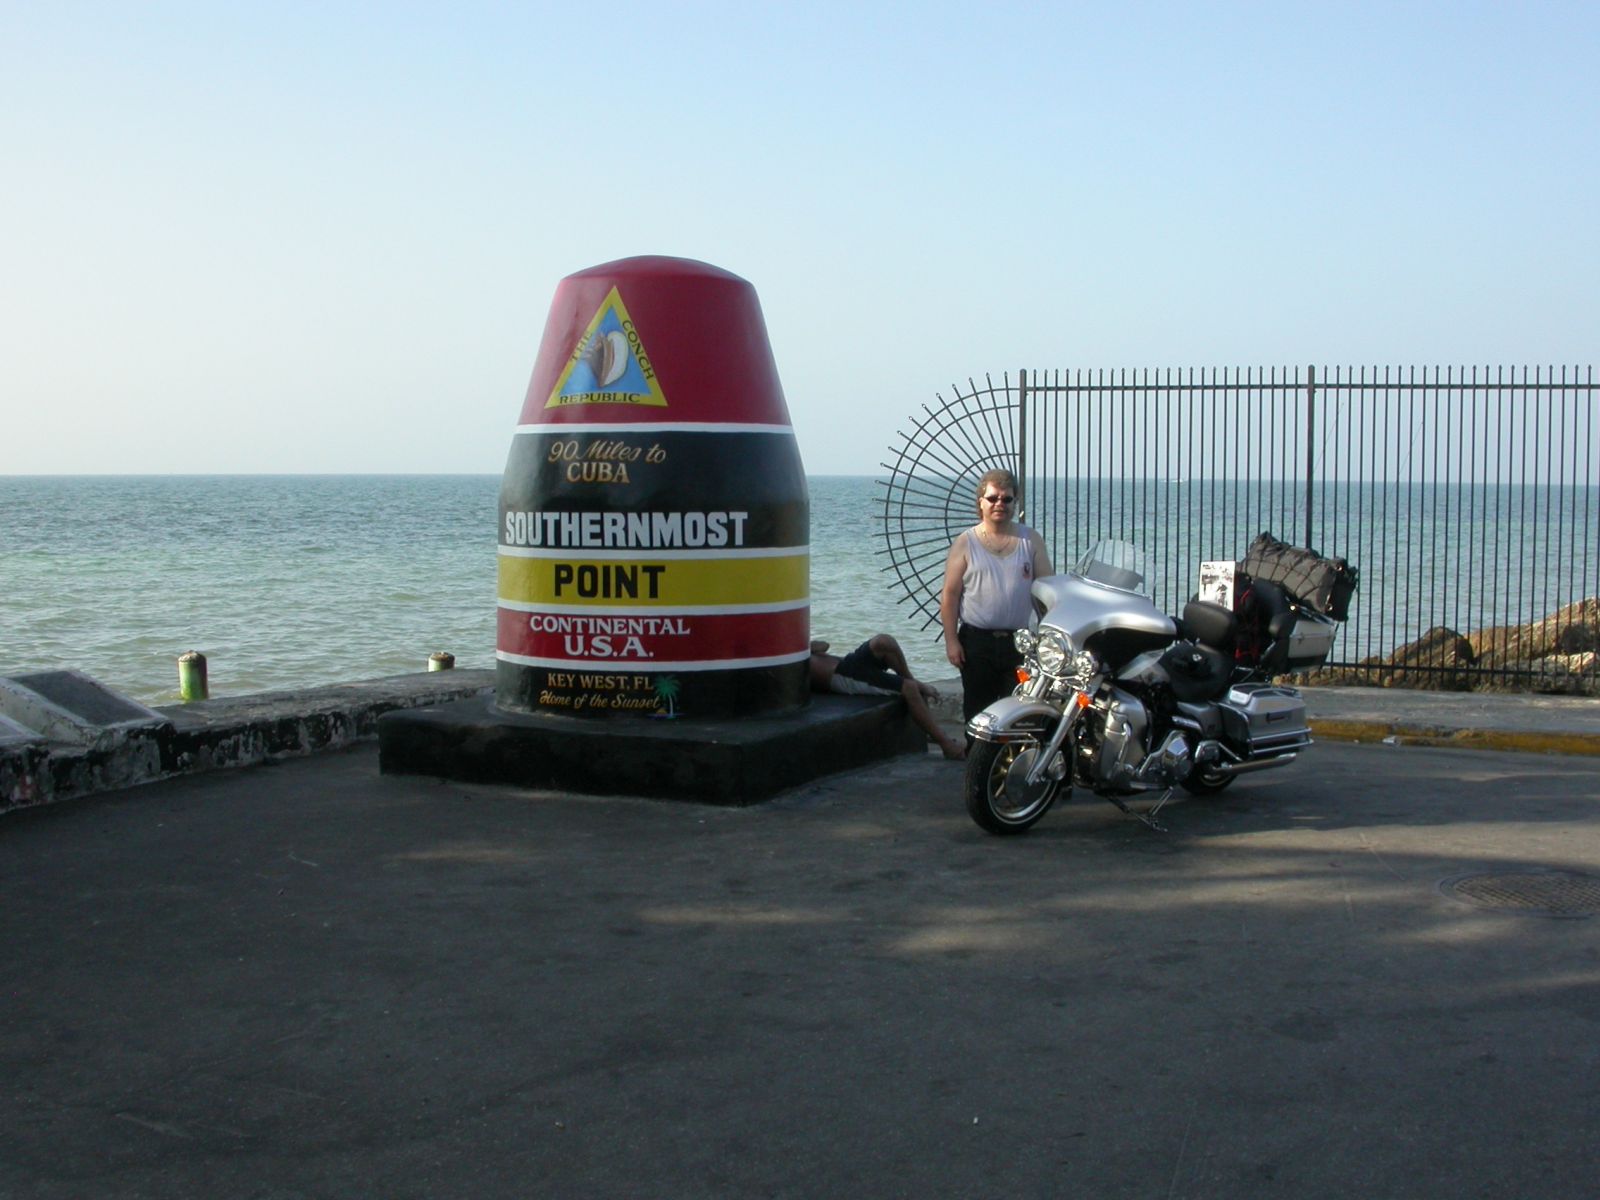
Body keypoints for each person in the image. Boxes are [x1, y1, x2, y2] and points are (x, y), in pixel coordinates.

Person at [939, 468, 1053, 725]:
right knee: (978, 716)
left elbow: (1048, 591)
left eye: (1006, 499)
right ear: (981, 502)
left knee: (1018, 715)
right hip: (976, 644)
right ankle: (975, 753)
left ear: (1015, 502)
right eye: (992, 498)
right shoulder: (965, 542)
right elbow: (950, 595)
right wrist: (951, 641)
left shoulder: (1031, 540)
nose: (999, 504)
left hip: (1019, 644)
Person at [808, 634, 966, 760]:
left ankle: (912, 679)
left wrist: (805, 646)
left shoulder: (799, 649)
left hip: (847, 662)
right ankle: (946, 745)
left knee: (884, 641)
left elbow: (824, 645)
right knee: (908, 688)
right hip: (841, 676)